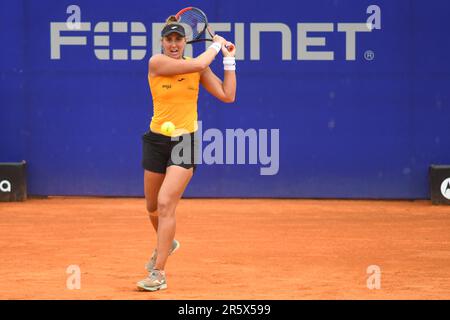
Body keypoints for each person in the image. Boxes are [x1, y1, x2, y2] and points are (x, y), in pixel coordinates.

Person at [137, 16, 237, 291]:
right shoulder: (156, 63)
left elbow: (228, 95)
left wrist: (229, 60)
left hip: (185, 141)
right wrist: (216, 47)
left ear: (185, 41)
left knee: (167, 202)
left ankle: (158, 274)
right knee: (152, 207)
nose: (172, 44)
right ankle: (167, 242)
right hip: (156, 140)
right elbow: (198, 62)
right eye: (168, 39)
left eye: (177, 39)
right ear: (162, 42)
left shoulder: (198, 69)